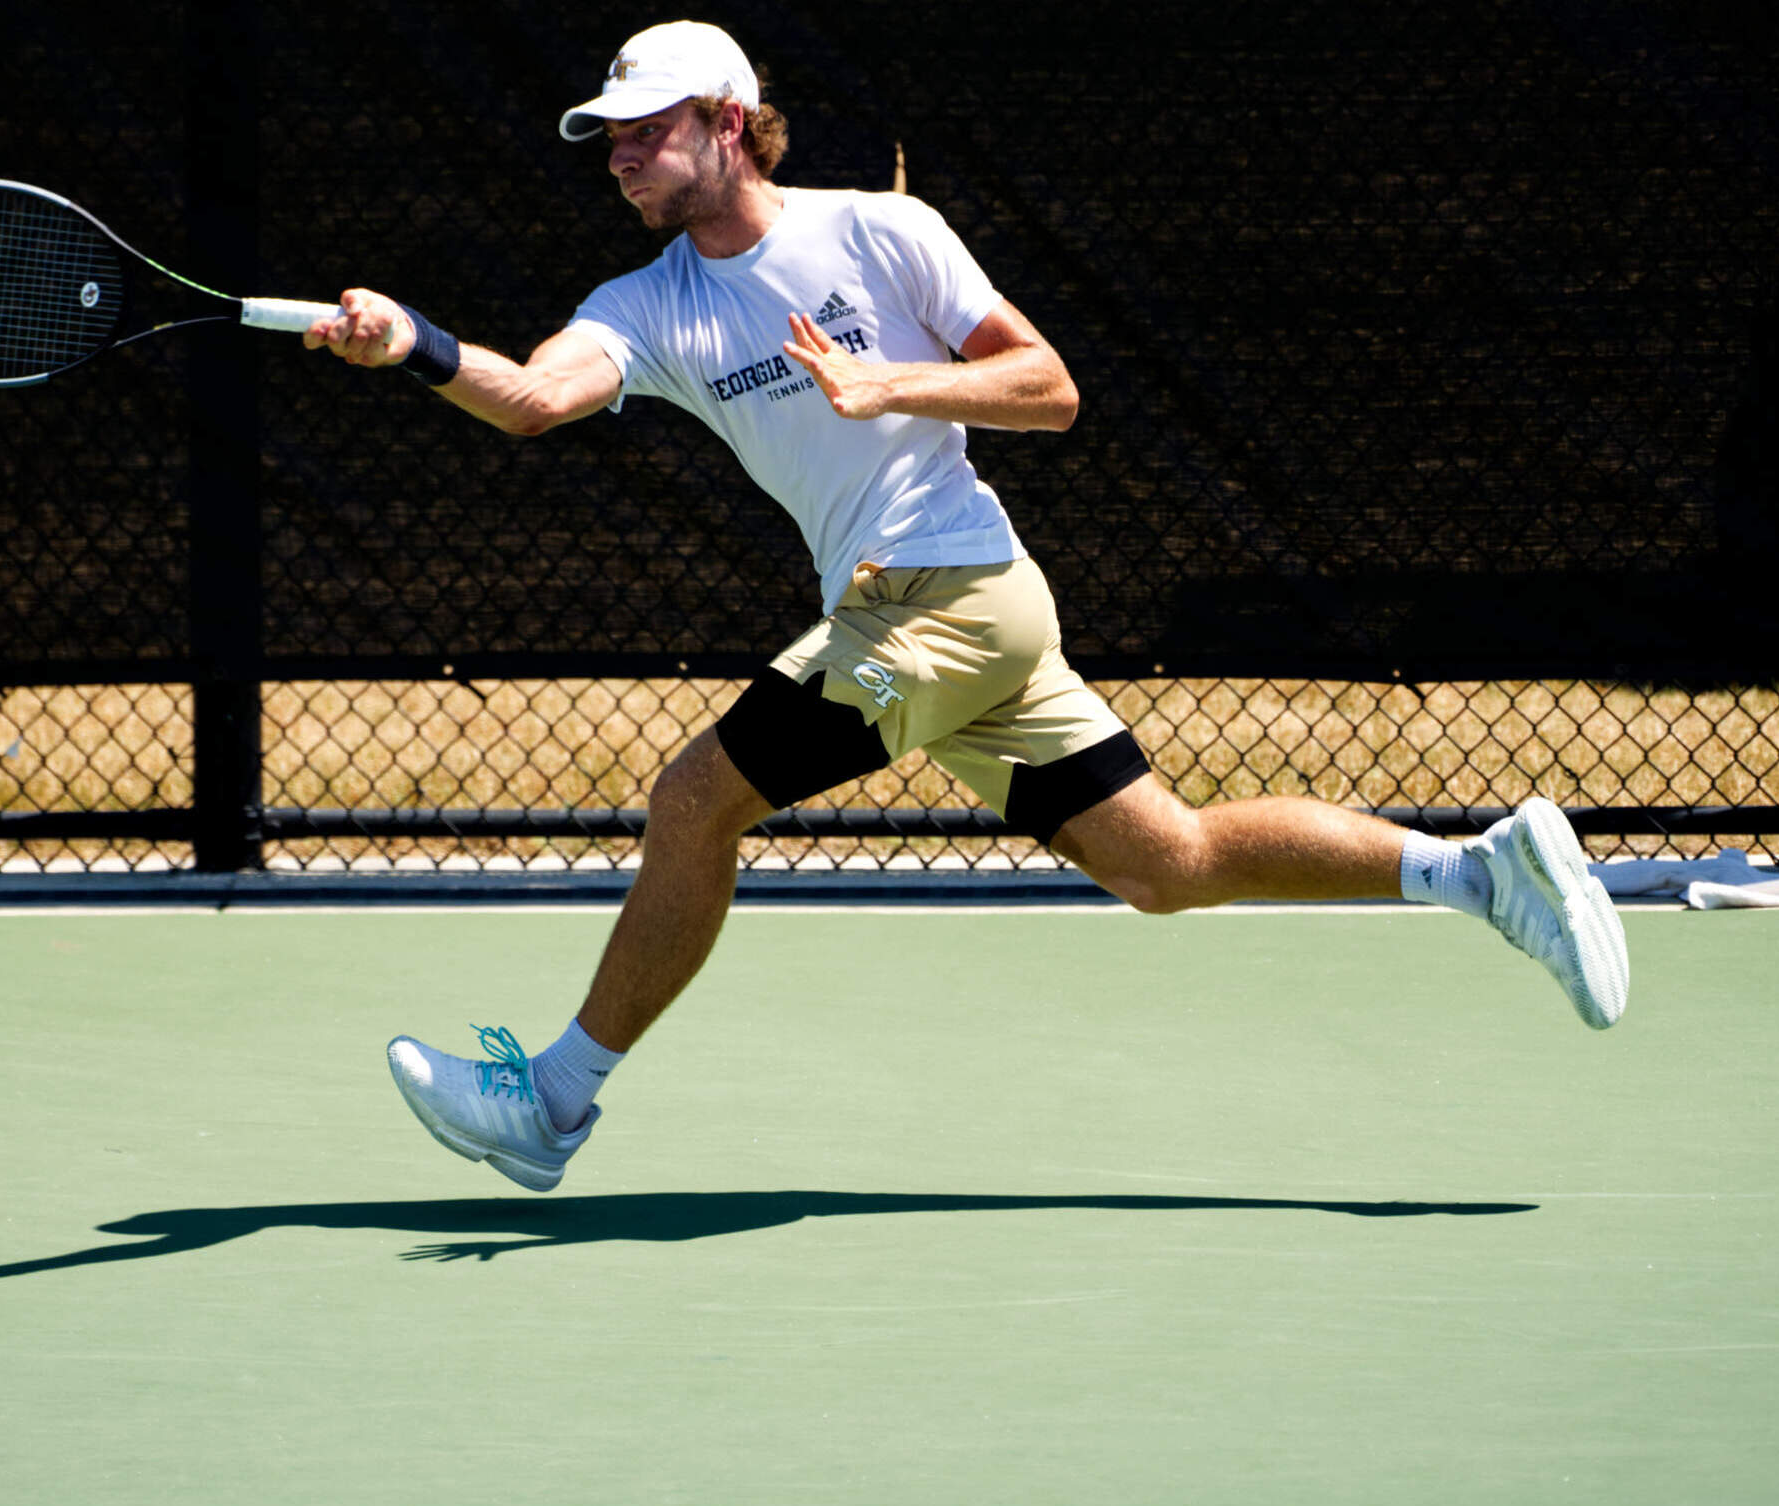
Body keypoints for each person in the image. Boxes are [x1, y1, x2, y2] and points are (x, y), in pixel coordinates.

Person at [305, 21, 1630, 1193]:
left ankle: (550, 1098)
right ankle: (1479, 870)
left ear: (727, 122)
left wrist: (892, 386)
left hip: (950, 593)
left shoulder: (882, 233)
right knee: (1165, 863)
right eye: (609, 138)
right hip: (944, 621)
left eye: (649, 130)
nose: (622, 156)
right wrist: (408, 343)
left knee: (695, 797)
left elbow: (1049, 387)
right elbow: (536, 397)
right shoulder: (642, 305)